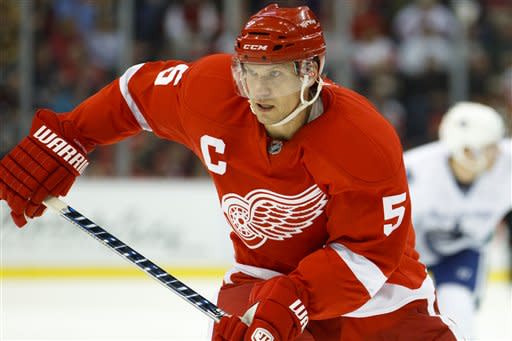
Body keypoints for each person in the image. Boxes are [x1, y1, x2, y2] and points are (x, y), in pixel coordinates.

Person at [0, 4, 463, 341]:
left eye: (275, 75)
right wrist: (70, 137)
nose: (257, 91)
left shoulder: (364, 141)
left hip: (377, 296)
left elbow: (368, 257)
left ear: (311, 70)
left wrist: (296, 297)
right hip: (259, 281)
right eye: (249, 72)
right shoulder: (213, 93)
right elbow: (136, 92)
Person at [404, 102, 511, 339]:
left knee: (459, 313)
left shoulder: (507, 165)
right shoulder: (415, 171)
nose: (498, 151)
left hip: (463, 251)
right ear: (466, 151)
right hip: (407, 255)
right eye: (490, 146)